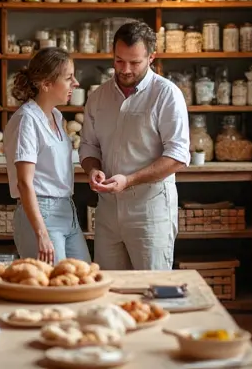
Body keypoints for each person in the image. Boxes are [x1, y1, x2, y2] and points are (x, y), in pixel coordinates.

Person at [79, 21, 190, 270]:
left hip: (150, 211)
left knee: (152, 288)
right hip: (107, 210)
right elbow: (89, 146)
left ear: (151, 57)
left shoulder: (166, 94)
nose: (125, 69)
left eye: (134, 62)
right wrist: (92, 169)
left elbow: (178, 155)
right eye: (119, 61)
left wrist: (128, 180)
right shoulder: (98, 97)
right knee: (109, 289)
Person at [3, 47, 90, 264]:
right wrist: (41, 233)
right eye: (69, 78)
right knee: (53, 291)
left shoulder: (57, 116)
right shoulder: (27, 120)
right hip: (41, 215)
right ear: (46, 83)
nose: (76, 83)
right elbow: (24, 182)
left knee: (85, 276)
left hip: (67, 211)